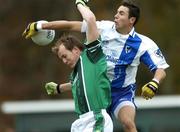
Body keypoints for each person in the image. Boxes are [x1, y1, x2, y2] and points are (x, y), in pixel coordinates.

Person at [22, 0, 169, 131]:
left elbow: (160, 69)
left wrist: (154, 83)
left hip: (121, 93)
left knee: (128, 123)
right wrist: (42, 26)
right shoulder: (104, 28)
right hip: (99, 89)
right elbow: (71, 24)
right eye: (116, 12)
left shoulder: (144, 44)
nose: (116, 15)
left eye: (121, 13)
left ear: (131, 19)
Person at [23, 0, 113, 132]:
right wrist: (59, 88)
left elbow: (90, 19)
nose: (64, 61)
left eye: (65, 56)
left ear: (76, 50)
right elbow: (75, 84)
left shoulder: (91, 56)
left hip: (96, 119)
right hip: (81, 123)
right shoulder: (76, 73)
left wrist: (80, 3)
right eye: (61, 59)